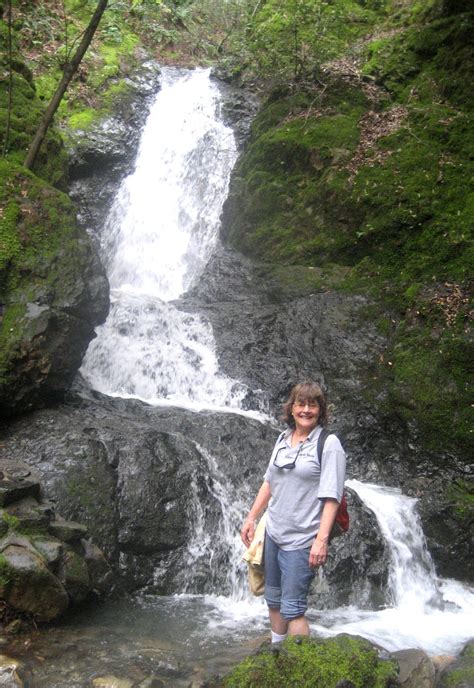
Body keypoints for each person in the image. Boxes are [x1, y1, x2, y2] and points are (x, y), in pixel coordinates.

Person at [240, 381, 346, 643]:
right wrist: (252, 517)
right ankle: (277, 656)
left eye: (313, 405)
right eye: (301, 404)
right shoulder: (282, 438)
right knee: (273, 601)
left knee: (293, 609)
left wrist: (321, 541)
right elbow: (269, 481)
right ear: (292, 408)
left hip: (302, 539)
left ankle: (299, 666)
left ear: (320, 410)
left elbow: (332, 496)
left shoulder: (328, 443)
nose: (306, 410)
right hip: (274, 533)